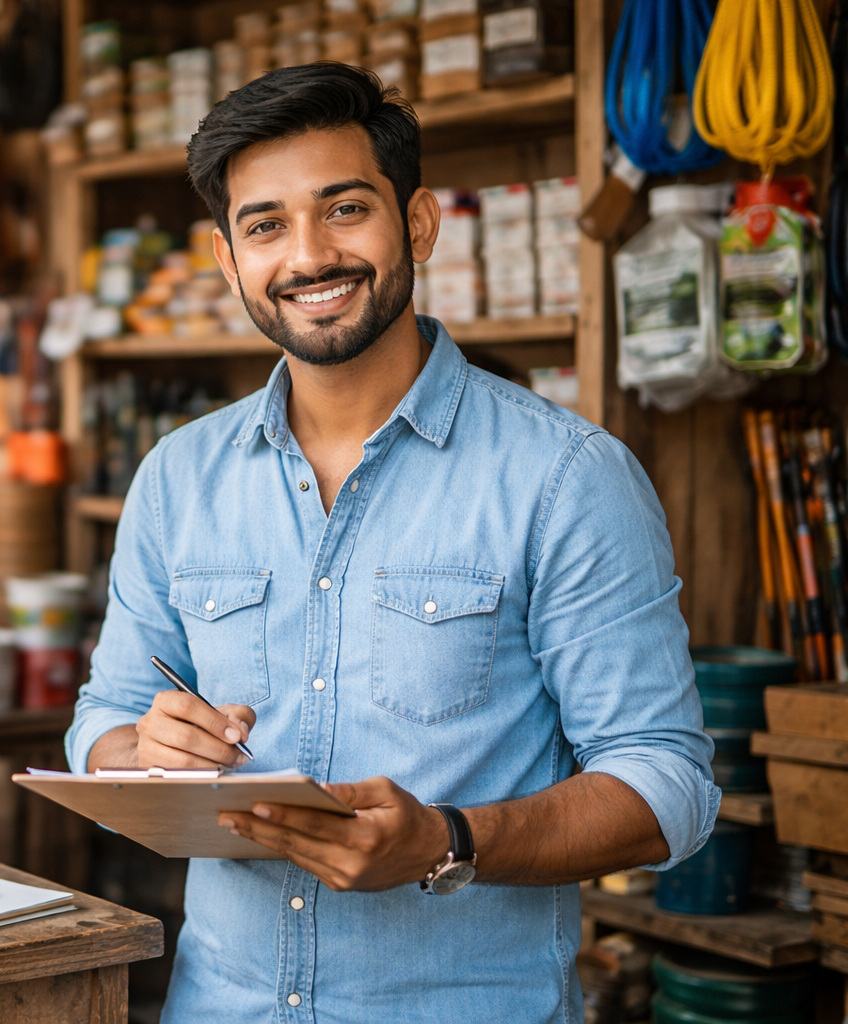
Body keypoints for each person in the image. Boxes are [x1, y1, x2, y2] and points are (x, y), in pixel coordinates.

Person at [65, 63, 717, 1023]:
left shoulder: (567, 475)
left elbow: (668, 784)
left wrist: (449, 840)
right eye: (266, 225)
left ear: (417, 222)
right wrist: (140, 751)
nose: (309, 256)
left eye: (344, 209)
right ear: (226, 258)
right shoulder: (177, 477)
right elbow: (101, 724)